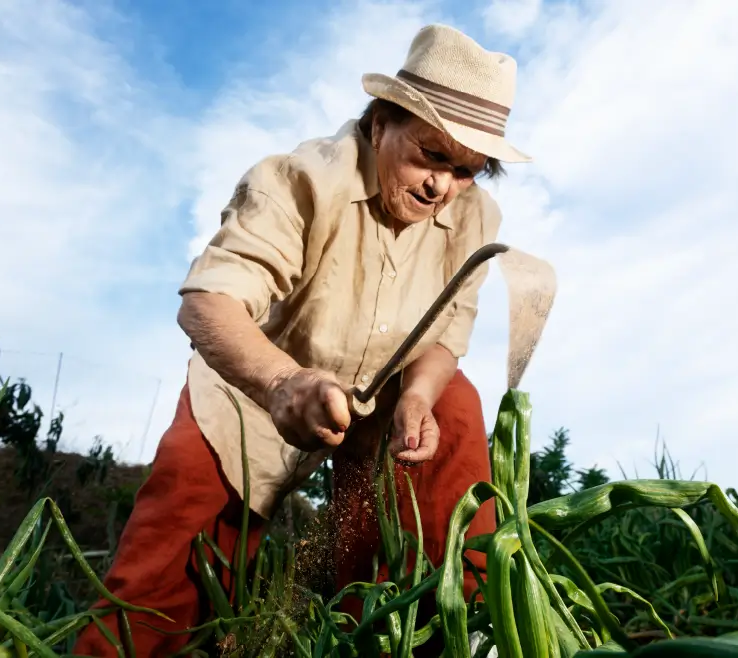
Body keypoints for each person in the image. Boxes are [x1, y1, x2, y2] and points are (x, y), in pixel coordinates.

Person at [74, 23, 540, 657]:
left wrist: (416, 399)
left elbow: (445, 333)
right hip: (252, 395)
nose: (442, 187)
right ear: (381, 123)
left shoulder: (475, 216)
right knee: (167, 584)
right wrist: (282, 383)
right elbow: (209, 302)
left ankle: (433, 629)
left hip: (377, 405)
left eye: (465, 170)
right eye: (431, 155)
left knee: (452, 403)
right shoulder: (298, 181)